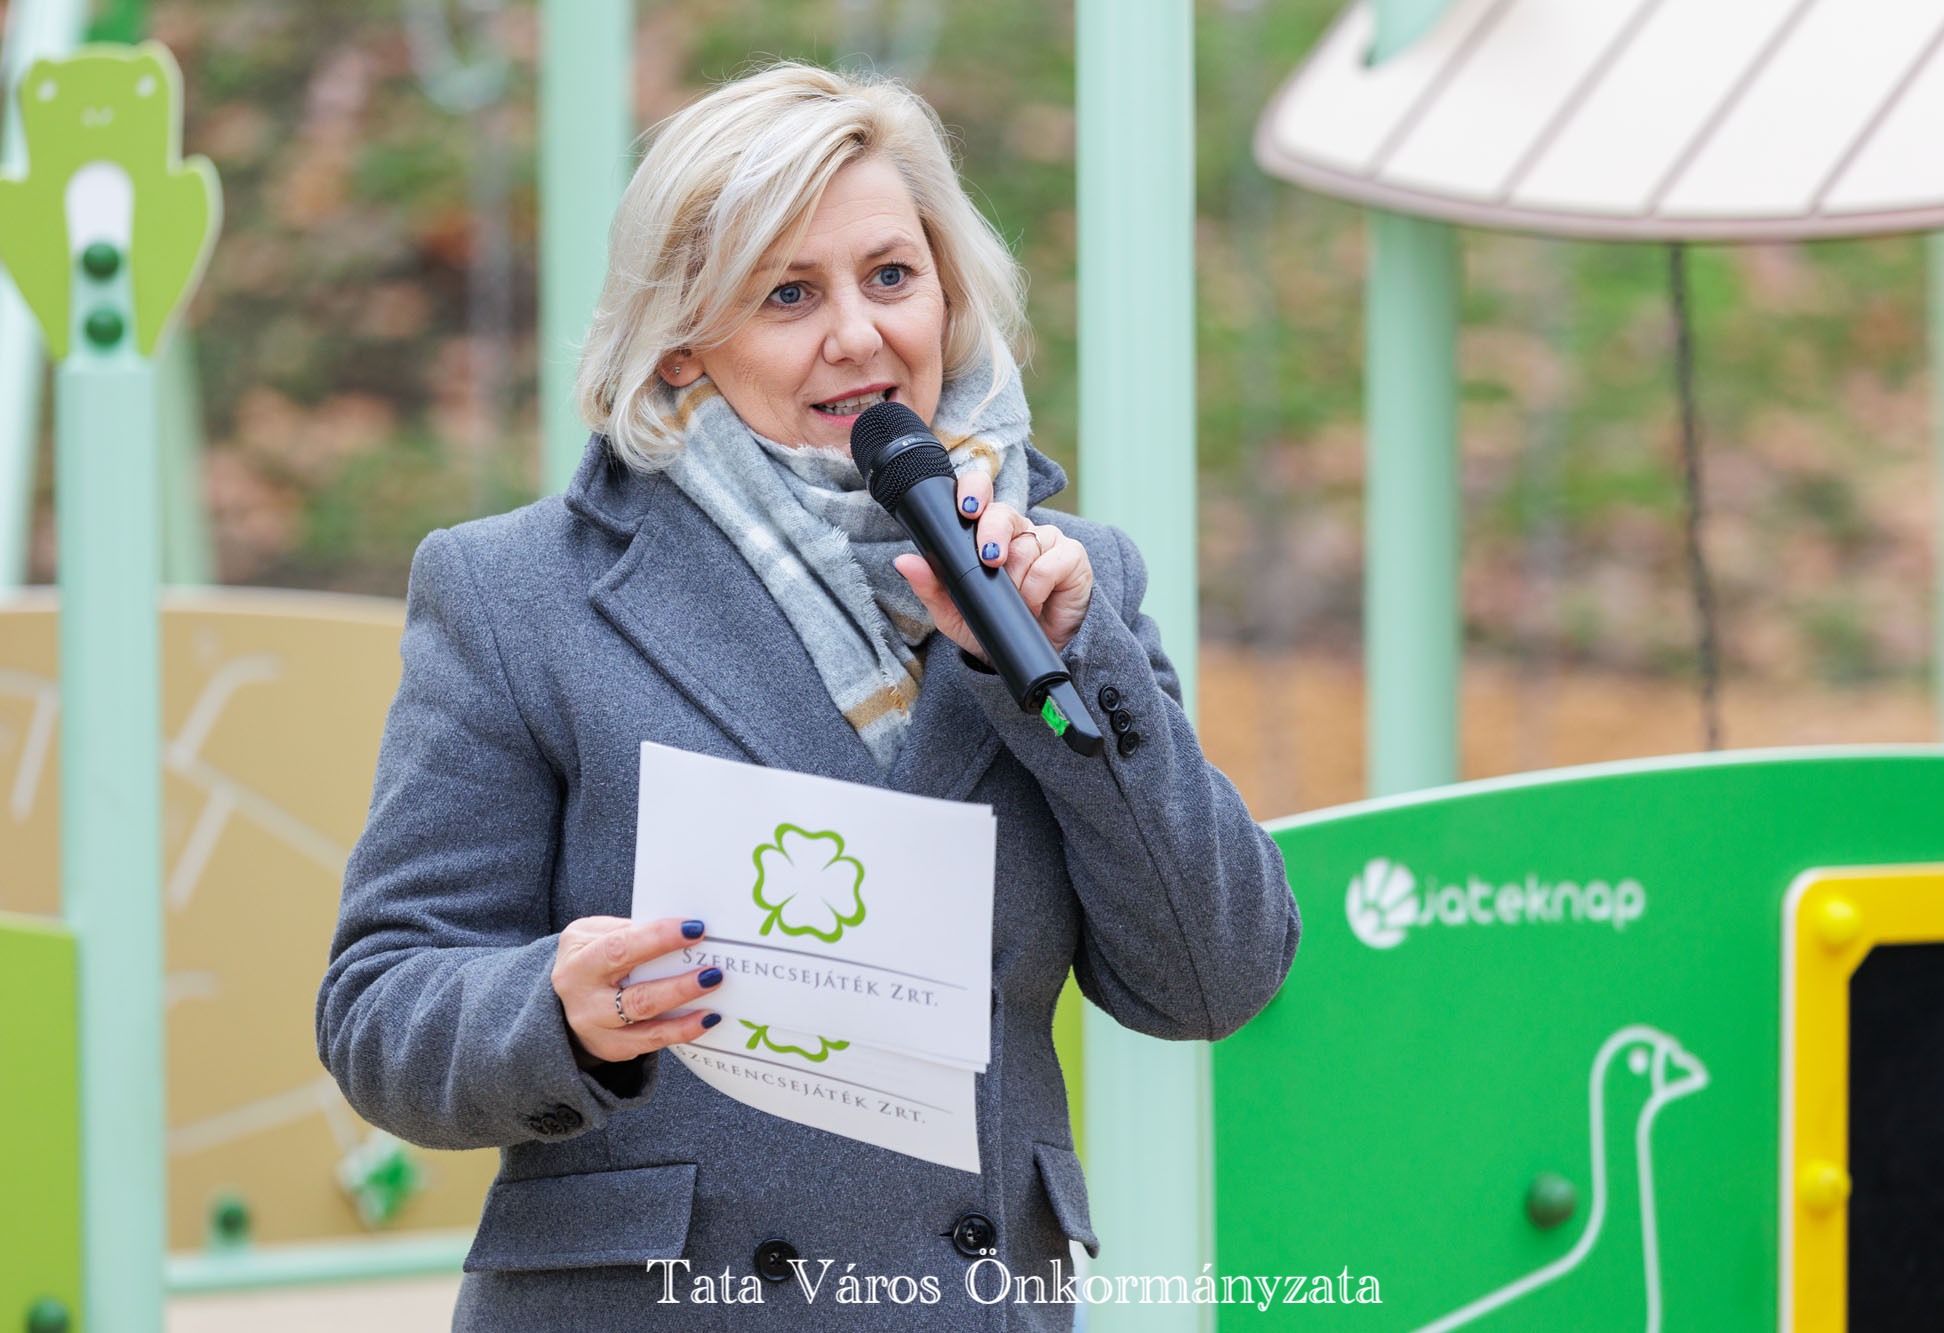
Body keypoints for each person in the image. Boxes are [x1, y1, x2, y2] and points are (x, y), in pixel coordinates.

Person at [316, 61, 1300, 1331]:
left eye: (890, 276)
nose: (857, 335)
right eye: (788, 293)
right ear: (682, 337)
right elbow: (380, 1008)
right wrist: (553, 1009)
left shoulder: (1068, 579)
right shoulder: (517, 593)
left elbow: (1214, 977)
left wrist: (1060, 660)